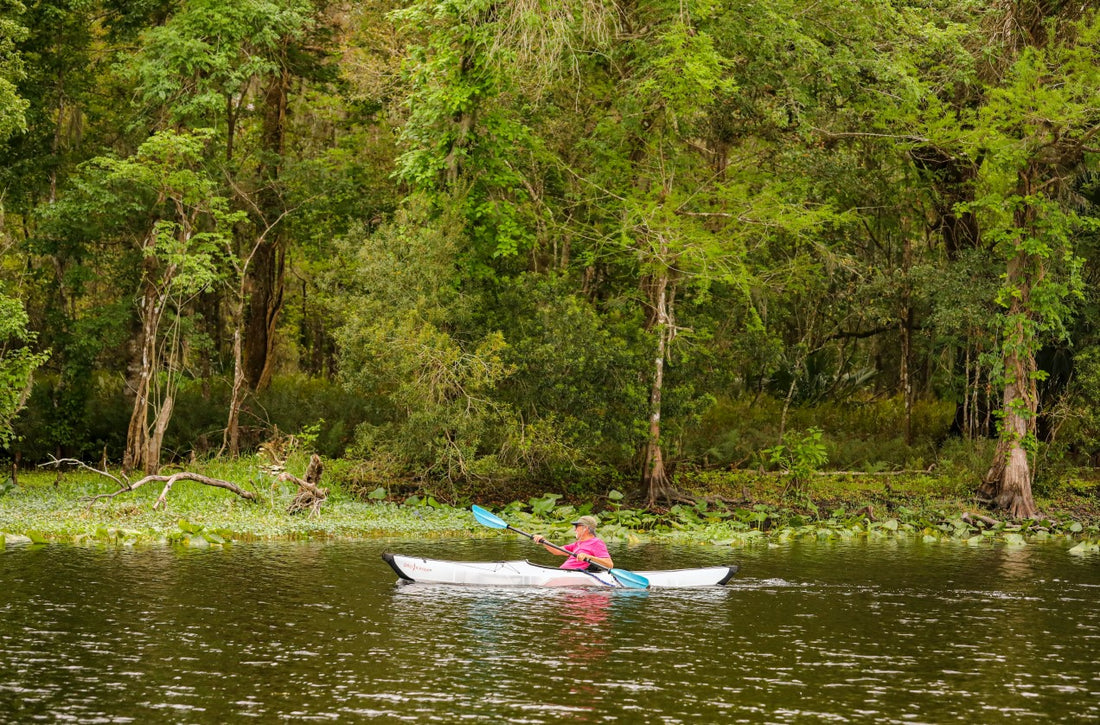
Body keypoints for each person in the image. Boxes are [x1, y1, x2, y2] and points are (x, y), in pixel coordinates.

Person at [532, 515, 614, 570]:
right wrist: (543, 541)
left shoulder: (597, 542)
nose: (574, 530)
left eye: (577, 527)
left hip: (575, 575)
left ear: (585, 528)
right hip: (563, 572)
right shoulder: (577, 544)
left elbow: (609, 564)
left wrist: (589, 557)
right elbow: (556, 551)